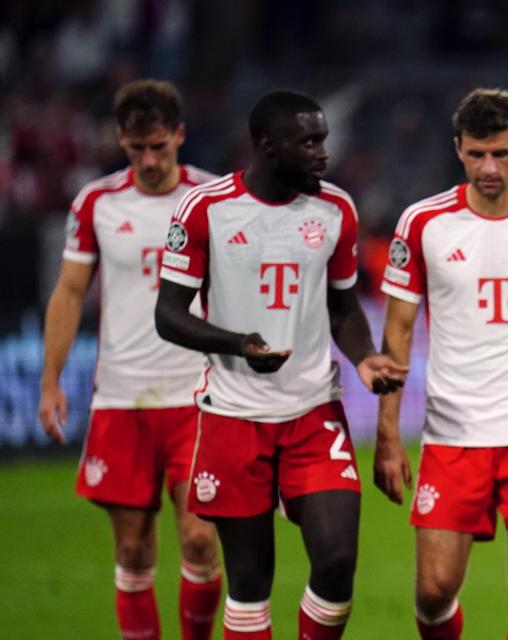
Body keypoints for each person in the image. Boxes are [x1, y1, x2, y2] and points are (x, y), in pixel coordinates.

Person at [155, 90, 404, 639]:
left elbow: (343, 307)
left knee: (337, 563)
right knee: (249, 582)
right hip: (234, 415)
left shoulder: (336, 209)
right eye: (309, 142)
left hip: (314, 413)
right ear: (267, 146)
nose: (323, 153)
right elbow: (168, 315)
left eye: (323, 140)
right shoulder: (206, 209)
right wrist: (238, 344)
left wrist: (364, 358)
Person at [38, 79, 222, 640]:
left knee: (199, 539)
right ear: (120, 139)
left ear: (180, 136)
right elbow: (70, 291)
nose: (148, 160)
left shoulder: (212, 199)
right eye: (136, 148)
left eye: (158, 146)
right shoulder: (97, 203)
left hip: (198, 395)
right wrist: (50, 381)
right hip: (122, 398)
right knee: (134, 549)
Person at [373, 88, 508, 640]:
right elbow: (397, 330)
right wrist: (388, 435)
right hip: (454, 431)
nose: (489, 168)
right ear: (458, 149)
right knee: (433, 591)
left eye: (500, 154)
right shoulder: (424, 222)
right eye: (477, 154)